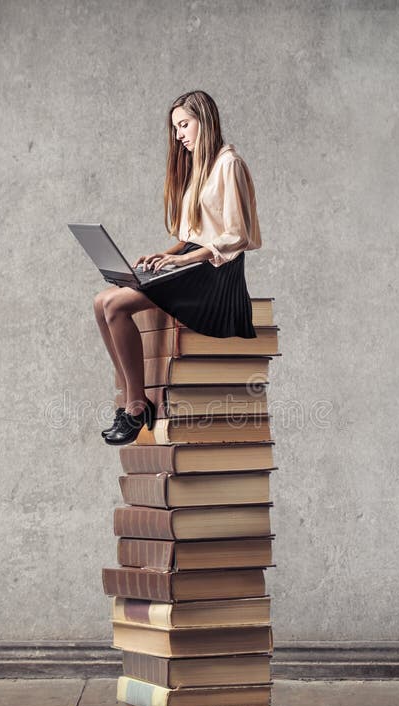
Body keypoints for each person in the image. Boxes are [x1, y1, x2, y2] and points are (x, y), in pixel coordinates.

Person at [93, 89, 261, 446]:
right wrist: (163, 255)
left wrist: (182, 259)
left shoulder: (229, 163)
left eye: (184, 125)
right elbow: (192, 236)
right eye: (175, 129)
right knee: (100, 301)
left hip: (217, 277)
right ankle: (129, 402)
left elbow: (237, 236)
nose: (179, 135)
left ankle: (136, 408)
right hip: (192, 264)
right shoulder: (198, 167)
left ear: (206, 120)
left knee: (116, 305)